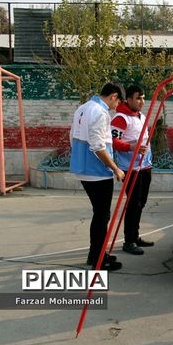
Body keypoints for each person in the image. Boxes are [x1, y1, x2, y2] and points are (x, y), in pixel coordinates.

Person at [70, 82, 126, 271]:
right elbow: (97, 146)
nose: (117, 107)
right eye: (118, 102)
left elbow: (73, 137)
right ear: (113, 96)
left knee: (99, 214)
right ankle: (98, 259)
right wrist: (115, 168)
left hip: (84, 168)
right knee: (102, 215)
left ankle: (96, 254)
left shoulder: (83, 108)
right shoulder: (101, 113)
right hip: (97, 172)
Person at [111, 85, 155, 255]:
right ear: (128, 99)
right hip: (131, 168)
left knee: (141, 203)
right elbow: (113, 141)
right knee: (133, 204)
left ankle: (135, 236)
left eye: (143, 98)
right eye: (138, 98)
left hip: (145, 166)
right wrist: (131, 147)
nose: (142, 101)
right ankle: (128, 241)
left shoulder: (141, 115)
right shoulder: (121, 118)